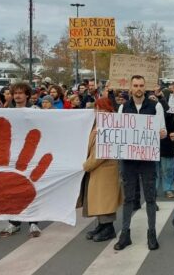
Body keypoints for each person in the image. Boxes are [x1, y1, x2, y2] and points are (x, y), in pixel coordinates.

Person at [114, 75, 167, 251]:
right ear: (131, 87)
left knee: (150, 197)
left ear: (145, 87)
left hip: (147, 159)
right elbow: (119, 131)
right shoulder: (123, 107)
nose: (138, 88)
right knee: (128, 198)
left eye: (141, 85)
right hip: (129, 159)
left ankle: (151, 233)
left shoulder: (155, 106)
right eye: (135, 85)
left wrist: (162, 133)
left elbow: (163, 129)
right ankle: (125, 233)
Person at [0, 82, 41, 238]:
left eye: (21, 93)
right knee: (11, 189)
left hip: (31, 153)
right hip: (12, 154)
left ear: (27, 95)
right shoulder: (7, 111)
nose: (17, 96)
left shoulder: (35, 110)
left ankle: (34, 223)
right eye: (15, 93)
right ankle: (14, 222)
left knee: (32, 187)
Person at [79, 101, 125, 243]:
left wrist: (86, 166)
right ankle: (101, 225)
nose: (99, 112)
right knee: (98, 199)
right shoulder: (95, 125)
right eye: (98, 109)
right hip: (96, 170)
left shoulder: (111, 126)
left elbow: (102, 153)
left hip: (105, 169)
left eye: (103, 109)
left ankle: (108, 228)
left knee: (105, 199)